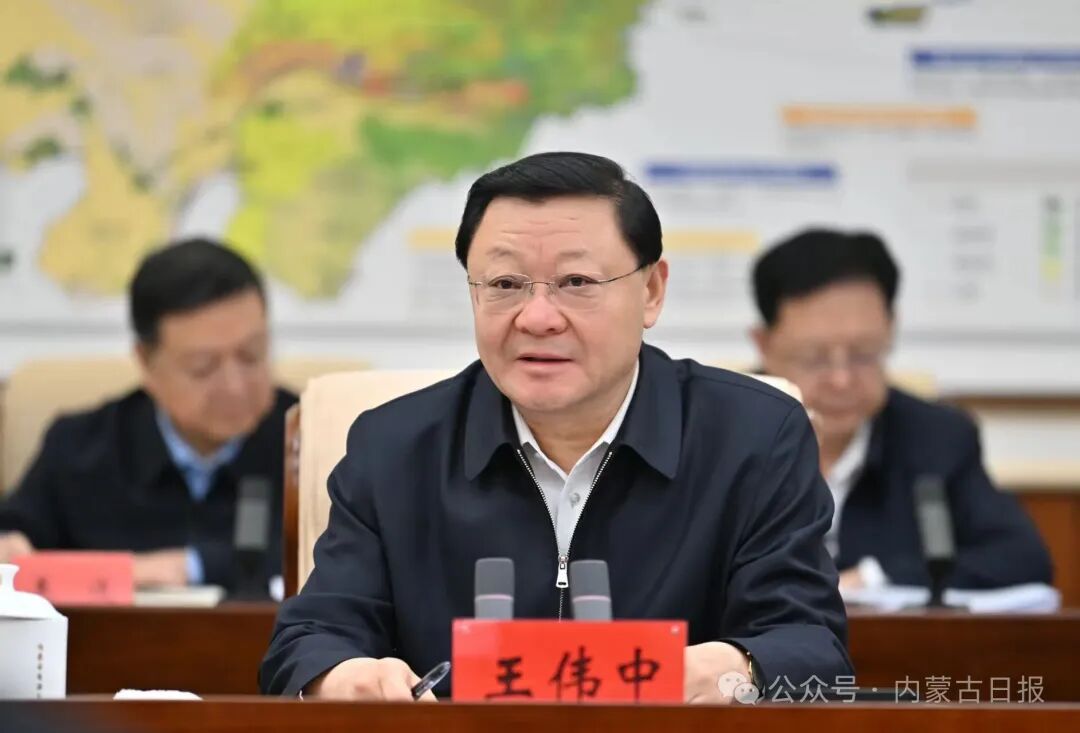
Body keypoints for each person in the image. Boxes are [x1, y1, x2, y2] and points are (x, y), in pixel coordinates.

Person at [260, 152, 851, 703]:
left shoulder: (753, 437)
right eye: (505, 285)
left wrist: (730, 668)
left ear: (651, 292)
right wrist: (345, 678)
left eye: (577, 284)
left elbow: (811, 650)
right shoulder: (394, 447)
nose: (538, 317)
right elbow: (308, 643)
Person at [750, 228, 1052, 591]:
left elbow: (1022, 559)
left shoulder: (937, 438)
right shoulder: (715, 431)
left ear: (890, 331)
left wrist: (876, 578)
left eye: (863, 353)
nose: (842, 380)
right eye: (815, 358)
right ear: (764, 345)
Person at [0, 238, 296, 595]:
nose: (235, 386)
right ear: (146, 362)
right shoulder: (80, 449)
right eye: (203, 367)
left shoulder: (317, 439)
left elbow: (340, 559)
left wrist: (189, 566)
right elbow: (14, 540)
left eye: (251, 354)